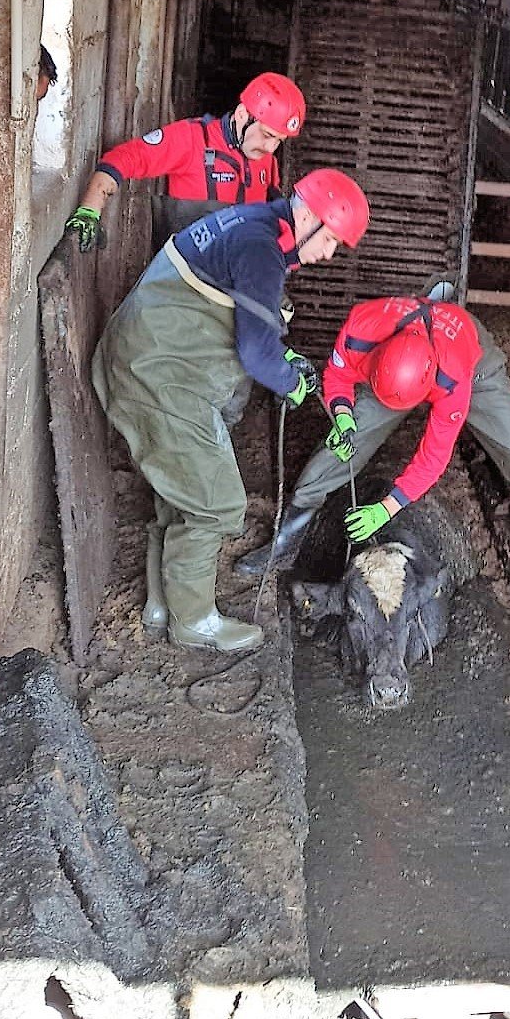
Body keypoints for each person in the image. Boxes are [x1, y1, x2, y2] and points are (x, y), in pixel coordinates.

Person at [92, 168, 370, 655]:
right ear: (306, 216)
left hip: (153, 357)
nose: (328, 254)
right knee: (217, 504)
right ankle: (194, 622)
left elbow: (249, 322)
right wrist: (291, 384)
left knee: (181, 490)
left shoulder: (253, 227)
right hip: (157, 374)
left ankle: (162, 605)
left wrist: (288, 360)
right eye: (329, 240)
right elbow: (256, 354)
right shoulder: (260, 250)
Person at [236, 280, 510, 599]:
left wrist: (385, 509)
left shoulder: (453, 381)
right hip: (393, 376)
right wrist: (344, 415)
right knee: (342, 443)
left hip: (475, 369)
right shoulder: (363, 327)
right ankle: (287, 538)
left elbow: (433, 457)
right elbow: (338, 377)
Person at [65, 71, 307, 251]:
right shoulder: (192, 139)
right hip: (182, 287)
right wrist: (90, 208)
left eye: (279, 141)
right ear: (243, 114)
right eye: (267, 135)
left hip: (236, 285)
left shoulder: (266, 161)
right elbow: (123, 158)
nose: (270, 147)